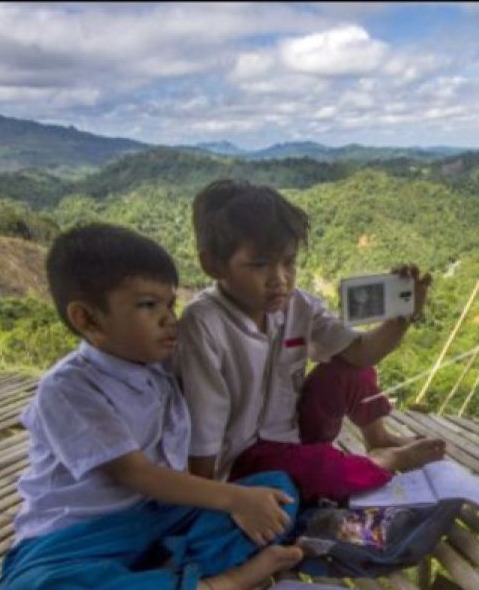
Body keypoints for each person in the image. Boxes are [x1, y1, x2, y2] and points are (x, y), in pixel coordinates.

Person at [0, 224, 304, 590]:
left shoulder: (159, 366)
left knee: (277, 493)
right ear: (88, 319)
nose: (169, 319)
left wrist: (246, 497)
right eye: (148, 306)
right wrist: (233, 498)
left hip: (163, 523)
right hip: (79, 541)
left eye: (170, 304)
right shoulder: (70, 387)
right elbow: (133, 474)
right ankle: (221, 586)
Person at [175, 179, 445, 502]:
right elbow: (204, 428)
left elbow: (361, 353)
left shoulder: (298, 306)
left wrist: (401, 318)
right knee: (324, 470)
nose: (280, 279)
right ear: (213, 265)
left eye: (288, 262)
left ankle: (379, 438)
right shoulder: (203, 324)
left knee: (349, 368)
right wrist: (208, 497)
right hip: (243, 461)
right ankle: (386, 461)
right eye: (260, 265)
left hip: (293, 434)